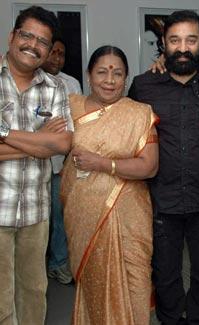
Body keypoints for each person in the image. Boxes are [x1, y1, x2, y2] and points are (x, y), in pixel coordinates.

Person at [128, 10, 199, 325]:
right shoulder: (143, 87)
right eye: (175, 40)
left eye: (191, 39)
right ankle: (170, 319)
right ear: (163, 43)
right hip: (161, 198)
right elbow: (129, 134)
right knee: (164, 271)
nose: (183, 47)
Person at [60, 45, 159, 324]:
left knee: (135, 283)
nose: (109, 79)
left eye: (117, 73)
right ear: (89, 75)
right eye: (102, 72)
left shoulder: (139, 113)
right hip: (83, 215)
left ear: (126, 78)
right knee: (94, 285)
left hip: (131, 218)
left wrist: (102, 163)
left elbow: (149, 166)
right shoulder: (71, 106)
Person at [0, 6, 73, 325]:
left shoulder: (55, 87)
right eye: (27, 35)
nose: (33, 45)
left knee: (33, 293)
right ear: (12, 36)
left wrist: (3, 134)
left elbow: (62, 144)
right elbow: (46, 145)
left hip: (35, 212)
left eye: (42, 41)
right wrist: (37, 142)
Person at [41, 35, 82, 285]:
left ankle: (58, 263)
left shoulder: (71, 84)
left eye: (61, 54)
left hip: (61, 163)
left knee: (60, 216)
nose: (57, 58)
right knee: (37, 221)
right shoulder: (30, 80)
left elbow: (76, 125)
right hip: (30, 163)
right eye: (53, 52)